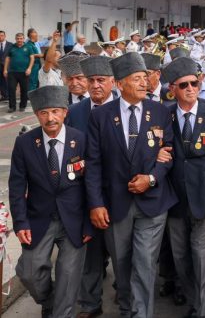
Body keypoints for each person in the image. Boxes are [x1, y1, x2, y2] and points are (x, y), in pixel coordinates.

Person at [85, 52, 177, 317]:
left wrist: (151, 178)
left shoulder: (160, 111)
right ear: (119, 83)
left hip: (153, 202)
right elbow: (93, 164)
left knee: (145, 262)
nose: (143, 83)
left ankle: (139, 314)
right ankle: (128, 307)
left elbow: (168, 152)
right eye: (136, 79)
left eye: (145, 78)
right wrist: (96, 204)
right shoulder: (101, 116)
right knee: (122, 263)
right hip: (116, 203)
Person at [9, 85, 92, 318]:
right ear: (36, 115)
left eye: (55, 111)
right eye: (44, 112)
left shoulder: (81, 140)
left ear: (65, 112)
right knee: (29, 272)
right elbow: (17, 187)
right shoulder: (25, 143)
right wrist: (21, 223)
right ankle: (50, 301)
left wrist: (88, 222)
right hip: (39, 219)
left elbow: (92, 184)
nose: (50, 117)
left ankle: (60, 311)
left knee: (68, 277)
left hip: (74, 222)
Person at [160, 57, 205, 318]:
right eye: (184, 85)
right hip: (175, 200)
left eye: (195, 83)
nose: (191, 88)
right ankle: (194, 302)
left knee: (202, 256)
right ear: (173, 89)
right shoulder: (164, 115)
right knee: (181, 257)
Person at [66, 56, 116, 317]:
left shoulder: (125, 108)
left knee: (123, 251)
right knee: (91, 252)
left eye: (101, 81)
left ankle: (126, 293)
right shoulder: (75, 113)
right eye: (91, 81)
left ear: (112, 83)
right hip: (86, 192)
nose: (95, 86)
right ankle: (90, 303)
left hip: (120, 192)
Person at [4, 32, 35, 112]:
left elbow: (32, 58)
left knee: (24, 90)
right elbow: (7, 59)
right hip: (12, 72)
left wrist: (29, 68)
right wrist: (5, 69)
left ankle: (22, 106)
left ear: (23, 39)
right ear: (15, 39)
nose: (19, 40)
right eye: (18, 39)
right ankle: (12, 107)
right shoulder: (11, 47)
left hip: (24, 72)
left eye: (21, 38)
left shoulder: (28, 47)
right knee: (11, 89)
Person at [0, 30, 8, 100]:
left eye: (2, 35)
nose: (0, 37)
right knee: (1, 81)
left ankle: (8, 95)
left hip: (7, 66)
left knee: (8, 81)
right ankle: (4, 95)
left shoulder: (10, 45)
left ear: (5, 36)